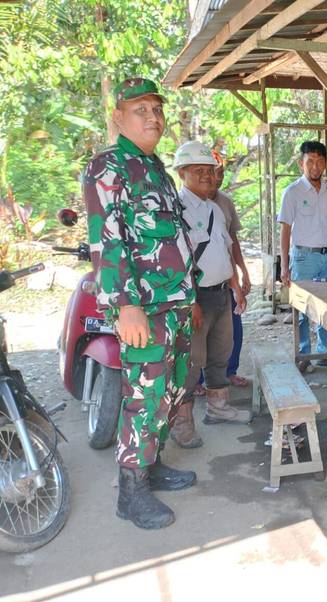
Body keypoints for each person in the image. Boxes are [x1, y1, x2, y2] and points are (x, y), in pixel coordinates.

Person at [84, 77, 196, 530]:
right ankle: (130, 494)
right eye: (140, 110)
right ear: (118, 117)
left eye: (157, 109)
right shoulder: (108, 167)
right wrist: (125, 305)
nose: (153, 117)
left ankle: (152, 466)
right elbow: (107, 241)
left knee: (171, 390)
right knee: (144, 395)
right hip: (144, 310)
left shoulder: (156, 171)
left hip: (175, 304)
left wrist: (189, 297)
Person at [169, 140, 251, 452]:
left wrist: (235, 285)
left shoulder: (215, 208)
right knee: (191, 362)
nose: (206, 175)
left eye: (209, 170)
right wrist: (190, 301)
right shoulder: (176, 210)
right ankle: (182, 423)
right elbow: (175, 262)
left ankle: (218, 408)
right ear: (182, 173)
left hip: (221, 294)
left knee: (220, 355)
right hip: (196, 298)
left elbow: (224, 250)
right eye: (198, 170)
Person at [278, 140, 327, 368]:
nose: (315, 166)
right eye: (310, 161)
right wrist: (284, 266)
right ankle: (303, 354)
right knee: (302, 308)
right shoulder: (292, 192)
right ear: (301, 164)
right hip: (304, 258)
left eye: (320, 161)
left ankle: (326, 352)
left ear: (326, 164)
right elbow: (285, 230)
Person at [211, 151, 251, 388]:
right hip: (202, 280)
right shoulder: (185, 203)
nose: (217, 179)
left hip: (227, 275)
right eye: (213, 173)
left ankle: (230, 371)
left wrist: (243, 271)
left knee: (234, 328)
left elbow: (233, 241)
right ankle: (201, 380)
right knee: (205, 333)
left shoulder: (225, 202)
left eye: (221, 174)